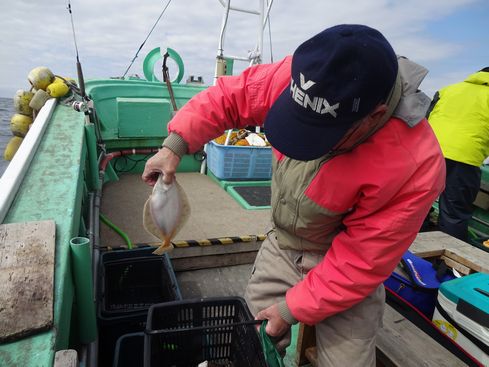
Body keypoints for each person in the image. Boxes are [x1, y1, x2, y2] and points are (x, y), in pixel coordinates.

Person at [142, 24, 445, 366]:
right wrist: (175, 145)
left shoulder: (416, 164)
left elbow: (360, 262)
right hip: (284, 243)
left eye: (322, 134)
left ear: (373, 117)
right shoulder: (302, 77)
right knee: (246, 341)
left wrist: (291, 309)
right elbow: (230, 96)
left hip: (346, 265)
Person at [426, 67, 489, 242]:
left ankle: (408, 254)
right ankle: (444, 264)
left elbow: (427, 117)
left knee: (417, 203)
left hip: (430, 151)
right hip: (465, 159)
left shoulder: (449, 89)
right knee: (454, 214)